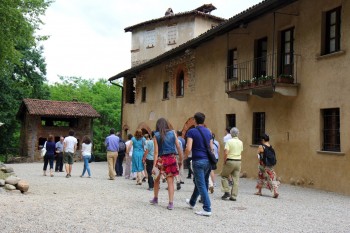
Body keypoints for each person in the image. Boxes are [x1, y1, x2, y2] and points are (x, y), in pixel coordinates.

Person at [150, 118, 183, 210]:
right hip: (171, 159)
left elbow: (156, 152)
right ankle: (171, 203)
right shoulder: (173, 133)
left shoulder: (156, 135)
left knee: (155, 179)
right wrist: (181, 158)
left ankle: (155, 198)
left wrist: (154, 165)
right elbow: (178, 146)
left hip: (160, 159)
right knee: (170, 182)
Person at [184, 112, 213, 216]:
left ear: (195, 120)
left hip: (198, 160)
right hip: (207, 161)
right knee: (199, 182)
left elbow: (188, 148)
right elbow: (211, 147)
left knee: (201, 184)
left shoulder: (192, 132)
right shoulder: (208, 132)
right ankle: (192, 202)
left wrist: (185, 156)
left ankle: (207, 208)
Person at [221, 127, 243, 201]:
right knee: (236, 179)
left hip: (230, 160)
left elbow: (226, 152)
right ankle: (234, 196)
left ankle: (227, 191)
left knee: (224, 176)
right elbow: (241, 151)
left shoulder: (229, 142)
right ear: (238, 133)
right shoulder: (241, 142)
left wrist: (224, 161)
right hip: (238, 161)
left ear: (231, 134)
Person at [255, 133, 280, 198]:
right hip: (270, 164)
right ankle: (275, 191)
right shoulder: (271, 147)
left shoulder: (261, 146)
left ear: (263, 139)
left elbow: (258, 155)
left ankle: (260, 191)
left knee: (261, 176)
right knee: (272, 176)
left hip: (263, 164)